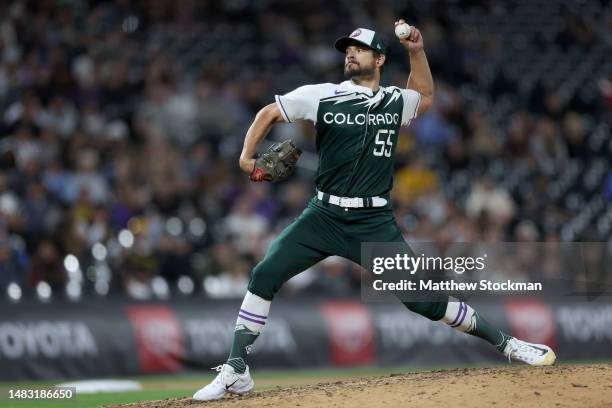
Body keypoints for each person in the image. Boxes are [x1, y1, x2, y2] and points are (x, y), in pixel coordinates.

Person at [193, 20, 556, 401]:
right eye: (347, 49)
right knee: (265, 273)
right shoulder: (324, 95)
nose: (350, 53)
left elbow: (426, 97)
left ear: (380, 58)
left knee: (423, 301)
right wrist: (246, 158)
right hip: (323, 216)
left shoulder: (395, 101)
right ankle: (236, 369)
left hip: (373, 222)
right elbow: (269, 112)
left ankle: (509, 345)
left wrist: (416, 51)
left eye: (359, 48)